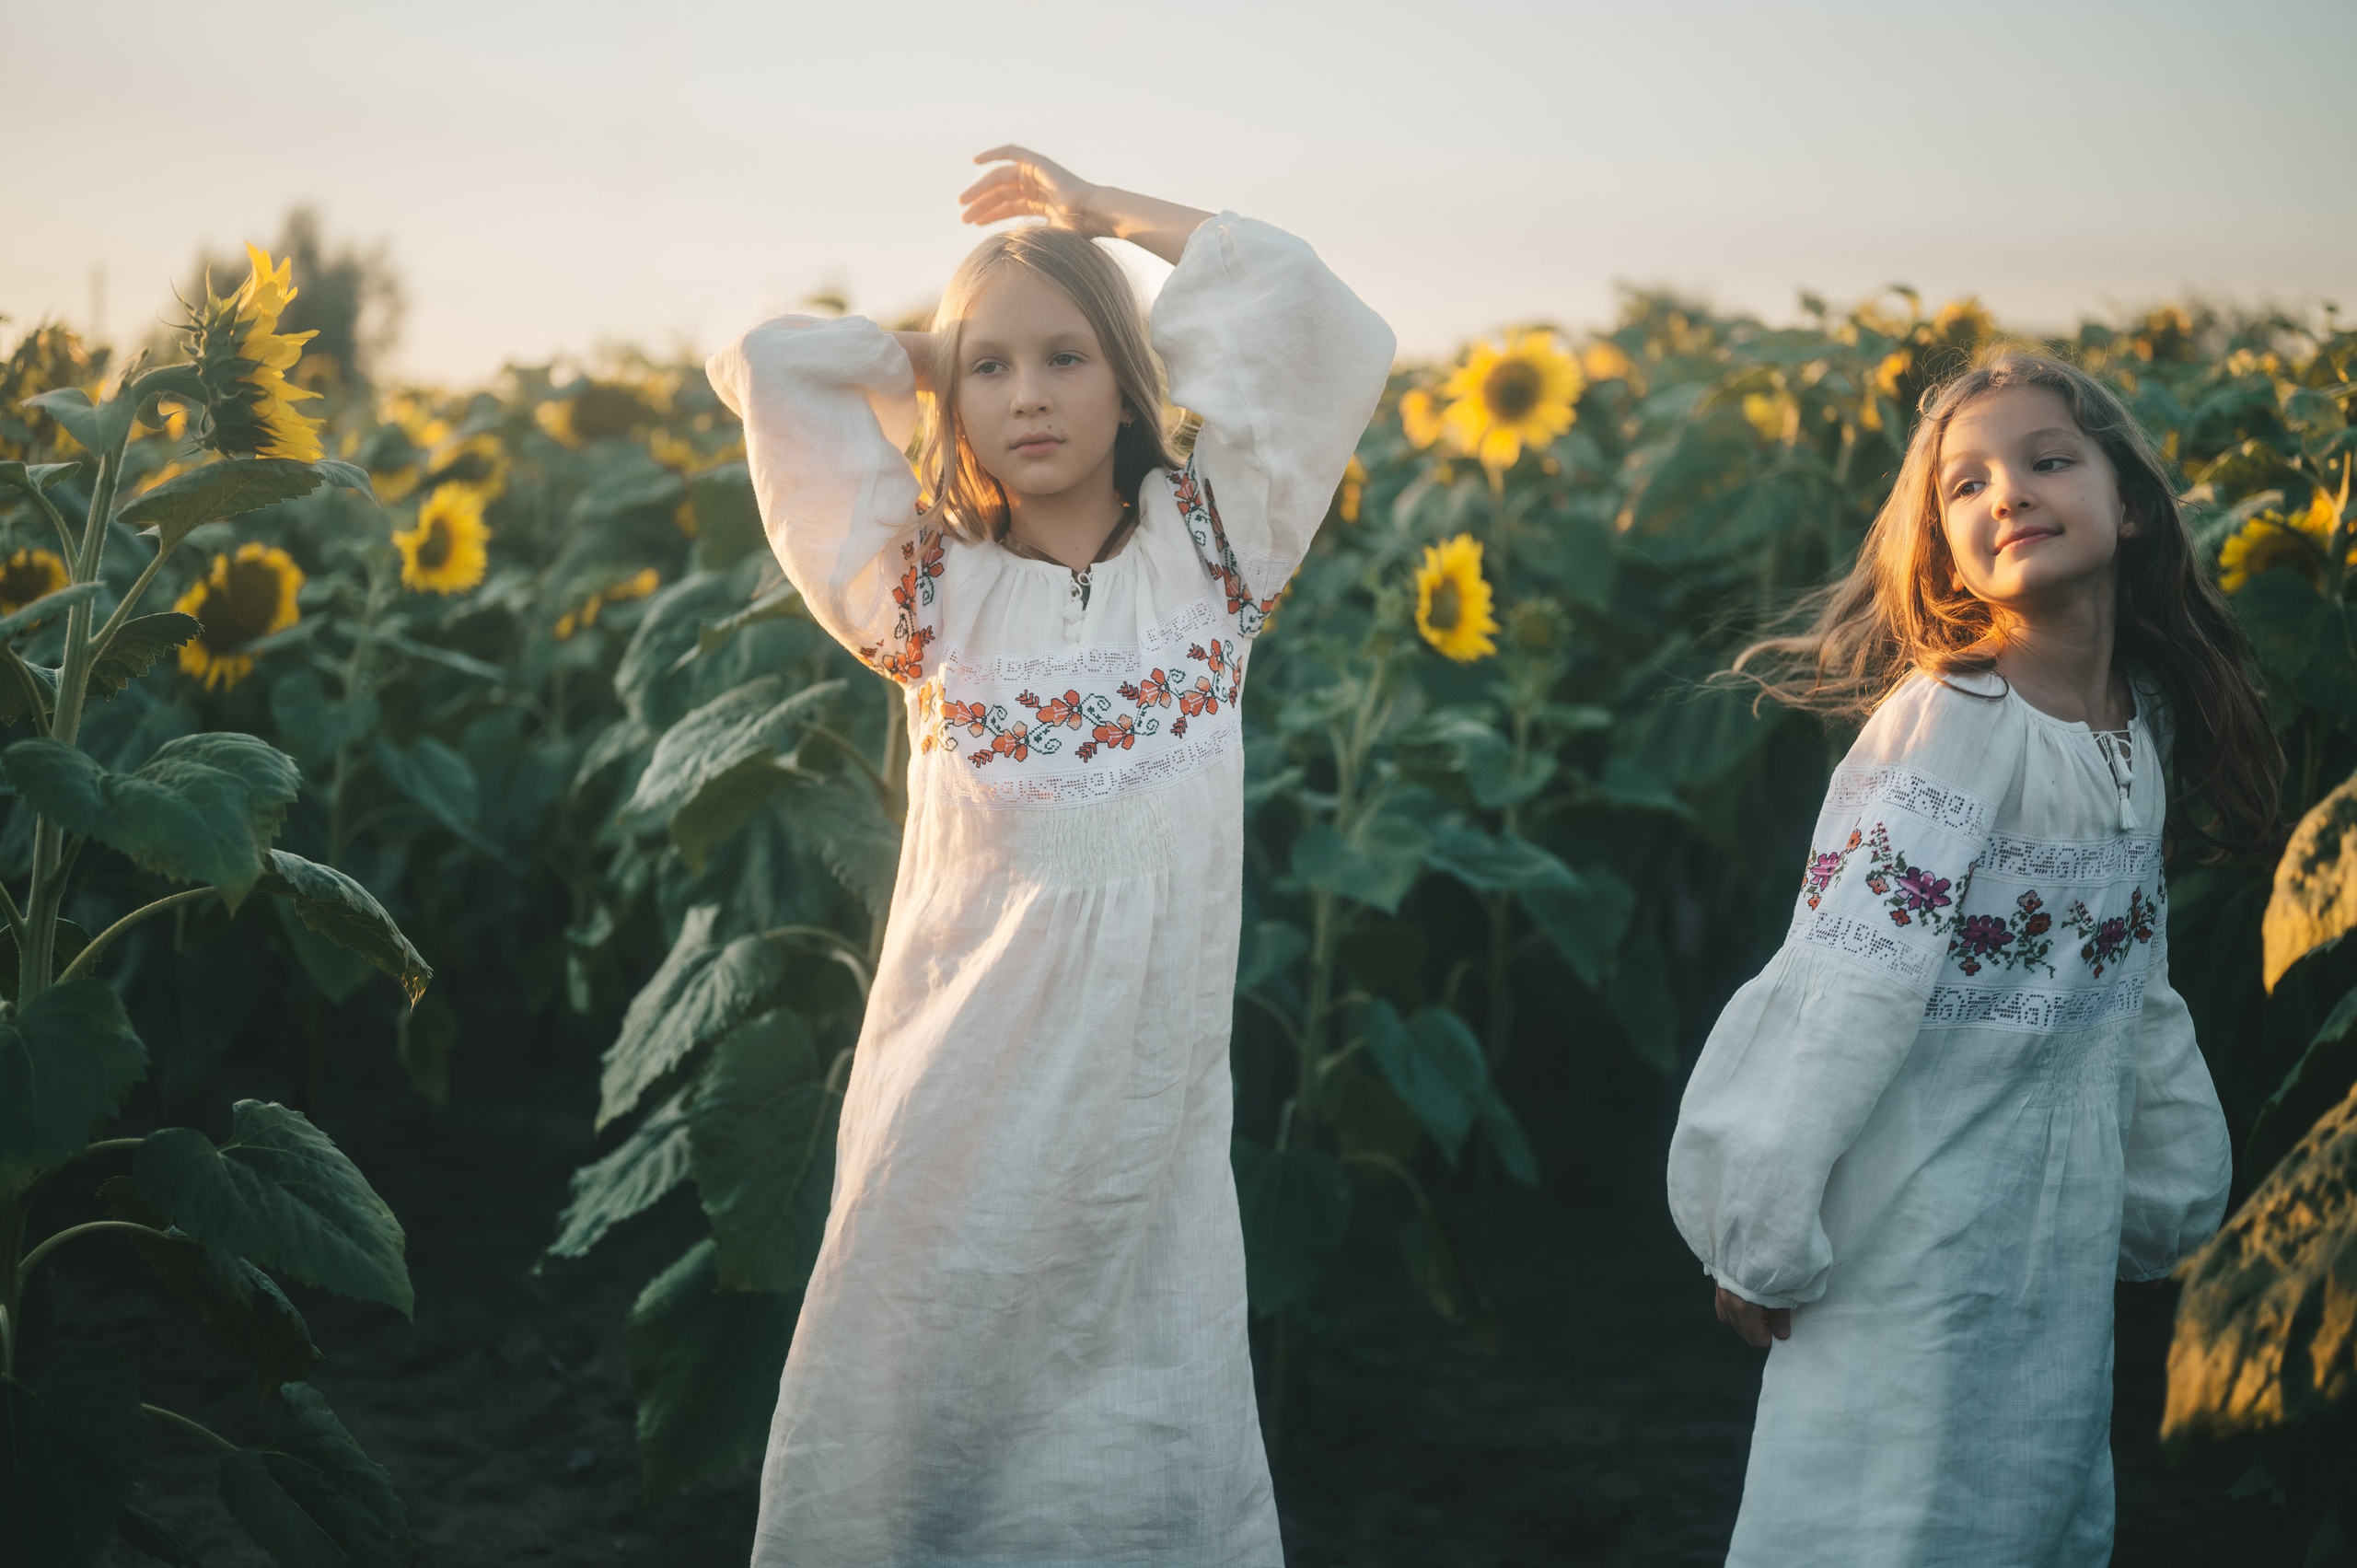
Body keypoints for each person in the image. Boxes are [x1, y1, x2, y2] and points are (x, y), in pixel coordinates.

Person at [705, 148, 1393, 1566]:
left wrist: (1096, 216)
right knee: (913, 1434)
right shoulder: (920, 595)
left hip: (1139, 1139)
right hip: (954, 1118)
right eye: (993, 368)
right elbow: (767, 367)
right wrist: (920, 352)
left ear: (1127, 376)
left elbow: (1308, 319)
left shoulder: (1215, 558)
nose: (1027, 395)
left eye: (1067, 357)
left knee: (1136, 1450)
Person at [1666, 349, 2280, 1565]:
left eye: (2049, 460)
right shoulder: (1957, 717)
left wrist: (2161, 1183)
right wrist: (1762, 1212)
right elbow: (1846, 975)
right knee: (1894, 1518)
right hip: (1916, 1230)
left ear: (2133, 502)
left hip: (2048, 1239)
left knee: (2029, 1503)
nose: (2009, 491)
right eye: (1967, 483)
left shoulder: (2132, 727)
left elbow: (2130, 985)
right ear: (1939, 545)